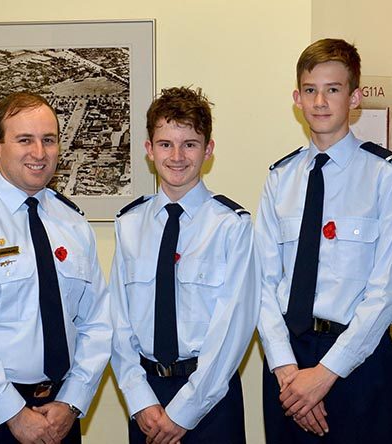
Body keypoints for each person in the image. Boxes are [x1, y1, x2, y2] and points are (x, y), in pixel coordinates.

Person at [0, 92, 111, 443]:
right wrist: (13, 413)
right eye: (24, 140)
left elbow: (97, 323)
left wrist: (72, 401)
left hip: (59, 415)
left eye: (49, 140)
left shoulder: (73, 222)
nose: (39, 153)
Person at [256, 38, 392, 443]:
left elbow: (386, 290)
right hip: (288, 362)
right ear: (297, 98)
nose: (320, 101)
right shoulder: (279, 179)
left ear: (355, 98)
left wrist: (325, 374)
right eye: (310, 90)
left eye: (333, 89)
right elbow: (263, 285)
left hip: (358, 363)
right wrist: (287, 372)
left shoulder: (384, 174)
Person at [110, 86, 258, 444]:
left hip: (210, 400)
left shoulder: (231, 226)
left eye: (189, 144)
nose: (177, 156)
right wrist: (139, 399)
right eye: (165, 144)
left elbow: (233, 329)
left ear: (208, 150)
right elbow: (117, 322)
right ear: (149, 149)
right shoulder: (129, 224)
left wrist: (184, 412)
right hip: (146, 399)